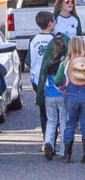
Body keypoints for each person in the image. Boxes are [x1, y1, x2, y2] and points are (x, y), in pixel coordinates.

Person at [55, 37, 85, 164]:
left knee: (70, 124)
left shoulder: (66, 63)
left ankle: (67, 156)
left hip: (71, 95)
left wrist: (62, 86)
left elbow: (57, 80)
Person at [36, 33, 68, 161]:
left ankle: (48, 142)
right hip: (63, 94)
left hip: (49, 94)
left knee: (51, 120)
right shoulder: (65, 62)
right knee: (64, 122)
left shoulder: (48, 62)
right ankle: (64, 150)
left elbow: (42, 78)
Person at [29, 11, 55, 143]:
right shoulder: (55, 40)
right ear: (50, 23)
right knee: (54, 112)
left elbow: (29, 60)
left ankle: (46, 138)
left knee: (43, 111)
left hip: (37, 80)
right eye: (54, 21)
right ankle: (52, 139)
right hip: (51, 80)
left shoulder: (33, 40)